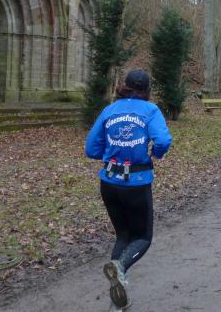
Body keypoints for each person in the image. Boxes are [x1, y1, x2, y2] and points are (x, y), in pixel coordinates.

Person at [85, 69, 172, 311]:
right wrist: (157, 153)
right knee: (142, 237)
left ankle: (117, 303)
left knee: (123, 236)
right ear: (147, 90)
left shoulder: (110, 110)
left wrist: (111, 154)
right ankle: (120, 268)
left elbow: (91, 148)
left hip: (109, 182)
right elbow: (163, 141)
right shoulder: (150, 110)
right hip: (135, 183)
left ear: (125, 86)